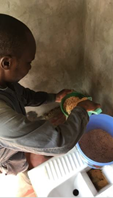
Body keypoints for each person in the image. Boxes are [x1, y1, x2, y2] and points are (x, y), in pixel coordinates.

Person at [0, 14, 101, 178]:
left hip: (9, 137)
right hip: (6, 156)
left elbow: (23, 95)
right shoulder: (3, 122)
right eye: (29, 62)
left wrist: (55, 97)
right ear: (6, 63)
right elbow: (61, 142)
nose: (30, 67)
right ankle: (26, 176)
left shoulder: (4, 82)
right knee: (32, 165)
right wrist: (81, 109)